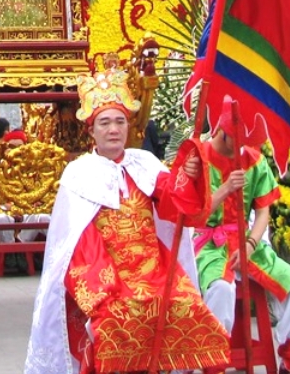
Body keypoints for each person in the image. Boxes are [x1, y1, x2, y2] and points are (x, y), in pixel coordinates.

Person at [25, 68, 229, 374]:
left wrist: (187, 174)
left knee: (187, 306)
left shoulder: (145, 164)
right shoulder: (79, 175)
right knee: (115, 321)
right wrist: (105, 294)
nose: (113, 130)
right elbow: (79, 245)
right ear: (91, 130)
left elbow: (175, 204)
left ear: (129, 126)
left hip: (158, 272)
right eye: (105, 123)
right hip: (107, 280)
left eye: (120, 121)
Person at [196, 96, 290, 374]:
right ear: (222, 133)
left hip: (249, 243)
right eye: (240, 142)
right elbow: (191, 215)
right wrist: (224, 189)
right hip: (209, 244)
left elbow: (263, 212)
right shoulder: (198, 158)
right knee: (221, 290)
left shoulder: (255, 161)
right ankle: (214, 364)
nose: (246, 149)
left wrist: (250, 243)